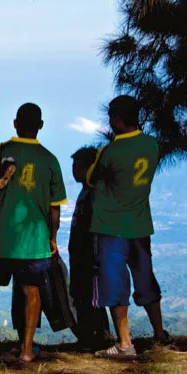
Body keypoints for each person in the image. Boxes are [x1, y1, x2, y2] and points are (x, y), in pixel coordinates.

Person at [0, 103, 67, 362]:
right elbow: (54, 210)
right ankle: (27, 350)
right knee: (31, 290)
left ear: (15, 123)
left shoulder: (2, 152)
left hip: (0, 236)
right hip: (34, 240)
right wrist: (52, 238)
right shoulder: (50, 159)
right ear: (40, 125)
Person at [88, 95, 169, 359]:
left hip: (111, 225)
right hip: (140, 223)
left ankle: (125, 343)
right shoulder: (152, 145)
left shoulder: (110, 151)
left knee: (114, 283)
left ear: (116, 120)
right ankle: (160, 333)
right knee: (145, 277)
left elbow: (91, 179)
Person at [68, 146, 112, 349]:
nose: (73, 171)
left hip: (88, 255)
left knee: (89, 295)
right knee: (82, 294)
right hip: (80, 254)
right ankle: (89, 336)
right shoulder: (87, 192)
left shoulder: (93, 194)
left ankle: (97, 336)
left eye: (77, 166)